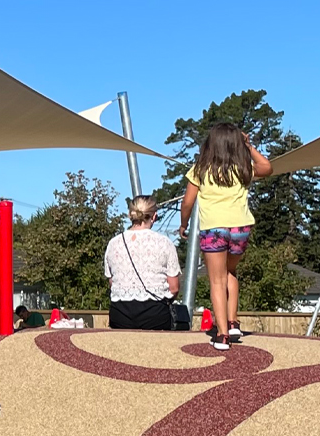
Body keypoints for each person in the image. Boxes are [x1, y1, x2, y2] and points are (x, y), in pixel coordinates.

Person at [180, 123, 273, 351]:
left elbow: (188, 202)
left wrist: (184, 224)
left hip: (214, 228)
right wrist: (248, 147)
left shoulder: (200, 169)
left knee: (217, 280)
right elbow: (267, 167)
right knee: (231, 272)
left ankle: (222, 335)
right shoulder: (242, 168)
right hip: (240, 228)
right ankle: (233, 322)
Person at [104, 196, 183, 330]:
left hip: (120, 313)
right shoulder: (164, 243)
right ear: (154, 216)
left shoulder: (113, 243)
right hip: (155, 313)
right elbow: (174, 287)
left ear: (130, 215)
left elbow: (112, 281)